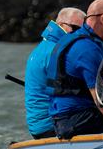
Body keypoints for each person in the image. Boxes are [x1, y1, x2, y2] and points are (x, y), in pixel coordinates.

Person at [47, 0, 103, 139]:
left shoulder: (76, 39)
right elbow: (100, 99)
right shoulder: (87, 49)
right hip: (75, 120)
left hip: (63, 118)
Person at [24, 7, 86, 139]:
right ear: (60, 25)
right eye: (76, 29)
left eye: (83, 31)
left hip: (37, 127)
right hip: (51, 126)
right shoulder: (58, 52)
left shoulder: (42, 47)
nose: (81, 35)